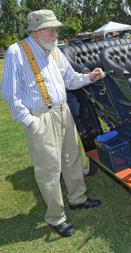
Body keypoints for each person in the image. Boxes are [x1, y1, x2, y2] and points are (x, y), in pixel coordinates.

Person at [1, 9, 104, 237]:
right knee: (49, 169)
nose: (55, 33)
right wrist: (31, 122)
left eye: (56, 29)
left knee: (72, 156)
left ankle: (78, 199)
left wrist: (89, 77)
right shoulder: (16, 52)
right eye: (51, 29)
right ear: (36, 31)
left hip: (63, 111)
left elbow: (69, 79)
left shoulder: (54, 49)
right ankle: (56, 217)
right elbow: (10, 93)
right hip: (40, 117)